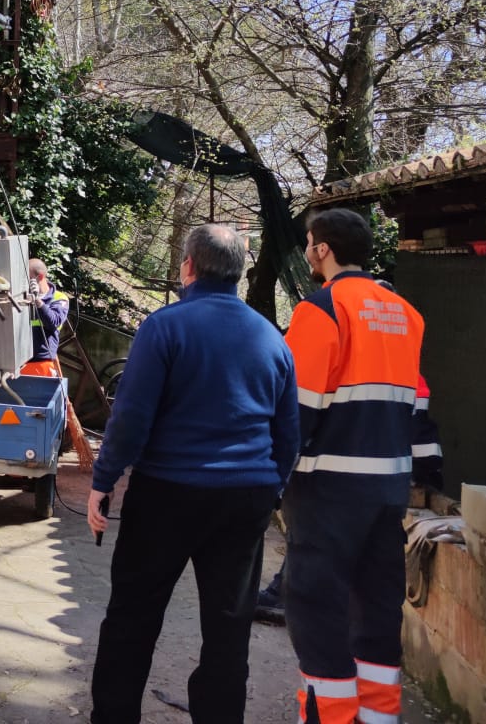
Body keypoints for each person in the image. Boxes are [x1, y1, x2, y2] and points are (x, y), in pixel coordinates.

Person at [87, 224, 299, 724]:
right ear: (240, 274)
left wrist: (104, 479)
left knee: (132, 618)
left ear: (188, 267)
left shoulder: (164, 327)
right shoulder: (272, 338)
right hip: (245, 496)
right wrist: (274, 490)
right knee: (229, 627)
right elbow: (289, 432)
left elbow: (131, 417)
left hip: (166, 494)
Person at [282, 208, 425, 724]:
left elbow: (296, 409)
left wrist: (271, 482)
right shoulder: (406, 314)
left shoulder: (320, 311)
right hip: (388, 490)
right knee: (377, 609)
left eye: (308, 243)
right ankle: (379, 718)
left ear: (322, 249)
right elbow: (417, 405)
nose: (307, 252)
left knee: (318, 611)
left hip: (328, 492)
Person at [255, 372, 443, 624]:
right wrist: (429, 475)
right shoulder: (409, 372)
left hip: (342, 477)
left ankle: (289, 596)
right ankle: (292, 594)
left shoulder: (345, 362)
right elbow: (422, 433)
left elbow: (304, 420)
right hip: (387, 481)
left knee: (316, 540)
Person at [19, 258, 70, 379]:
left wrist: (37, 301)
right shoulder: (21, 295)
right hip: (17, 362)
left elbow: (54, 321)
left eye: (28, 277)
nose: (25, 281)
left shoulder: (59, 298)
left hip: (40, 362)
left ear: (40, 277)